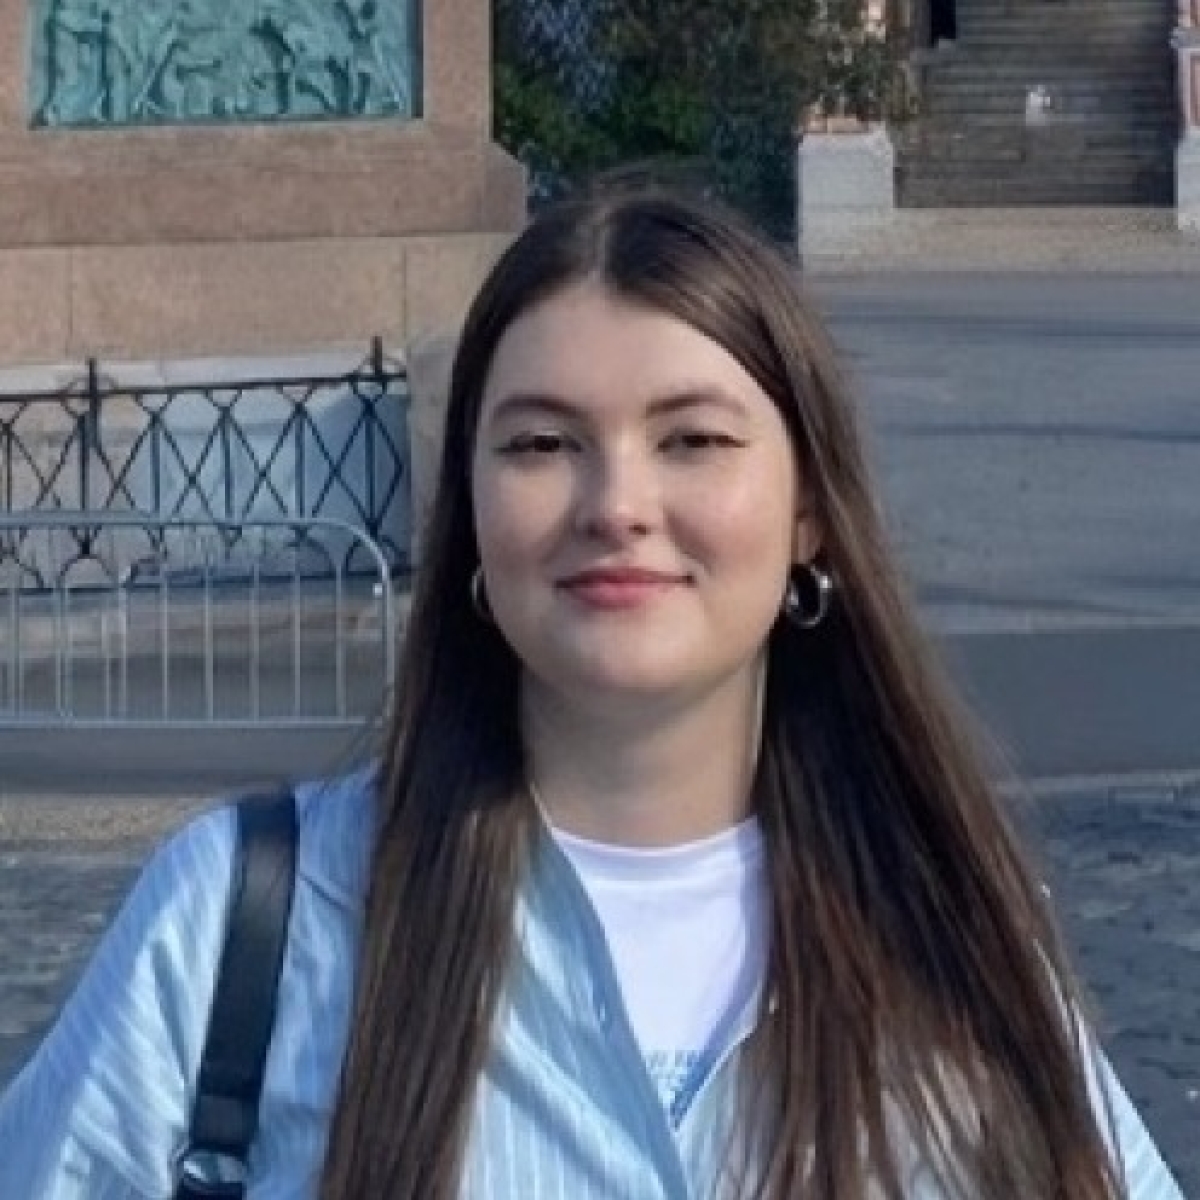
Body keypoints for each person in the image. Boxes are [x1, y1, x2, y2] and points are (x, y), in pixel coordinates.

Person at [0, 189, 1185, 1199]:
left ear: (810, 513)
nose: (616, 504)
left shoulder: (956, 936)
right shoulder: (246, 921)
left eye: (693, 441)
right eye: (541, 445)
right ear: (469, 511)